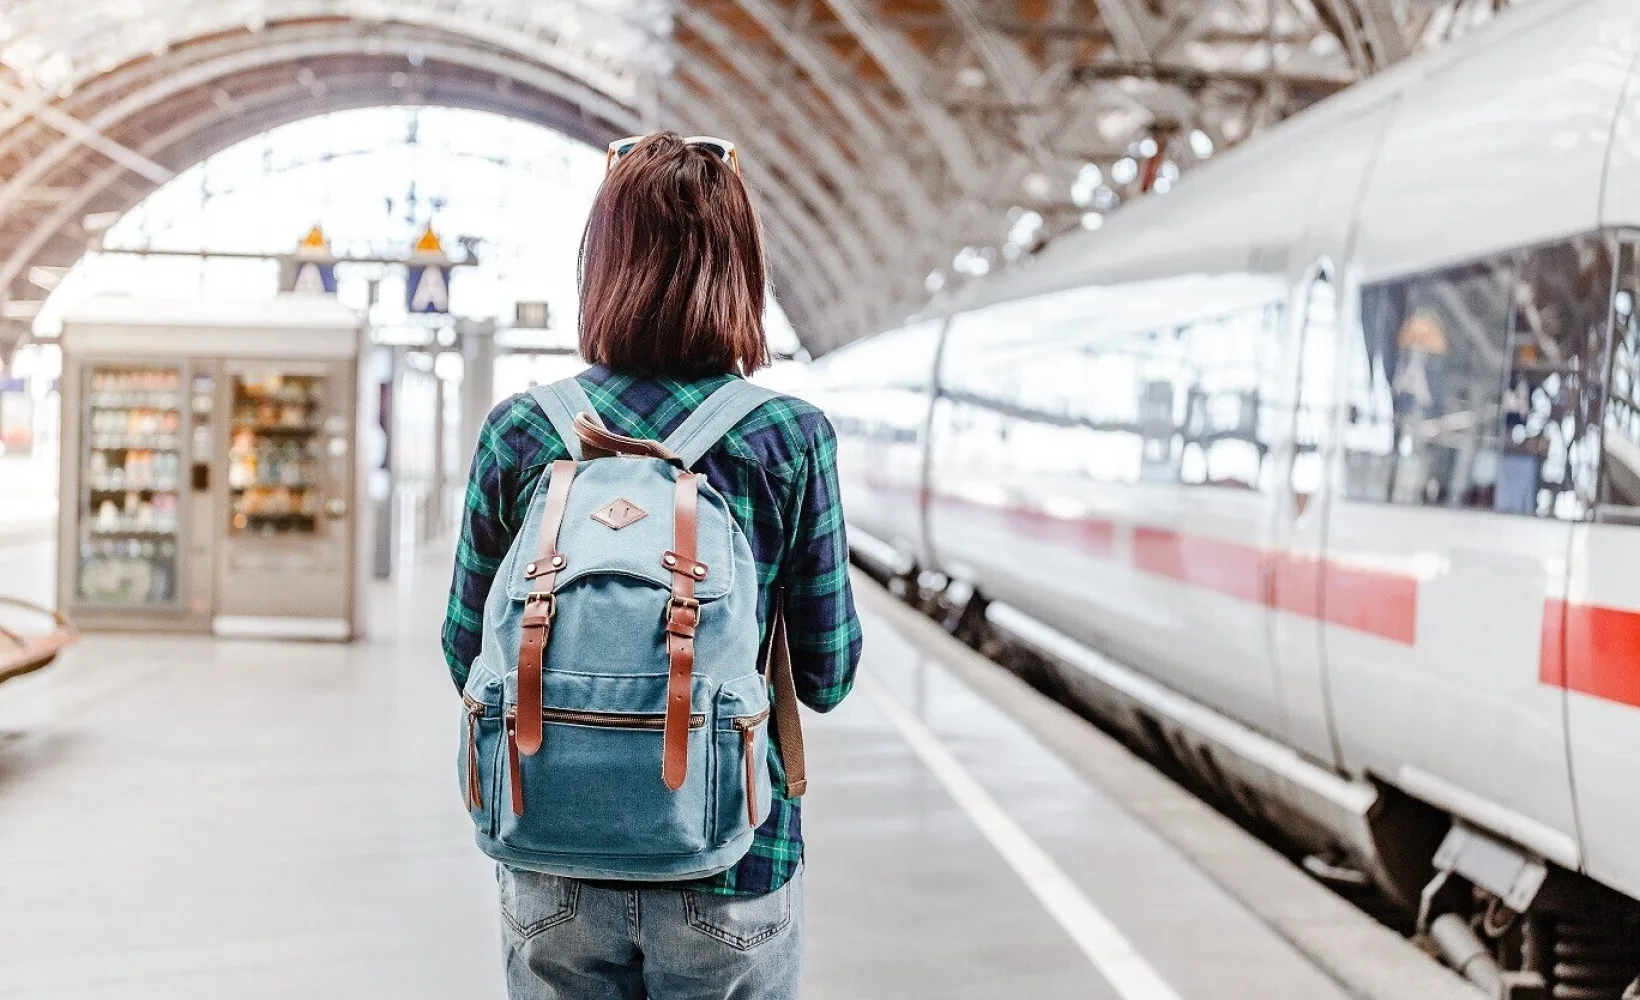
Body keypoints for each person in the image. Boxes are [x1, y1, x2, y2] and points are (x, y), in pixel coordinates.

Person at [441, 131, 863, 1000]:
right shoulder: (786, 438)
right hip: (735, 861)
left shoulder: (523, 431)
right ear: (741, 269)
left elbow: (462, 654)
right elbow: (827, 676)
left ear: (602, 264)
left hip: (550, 854)